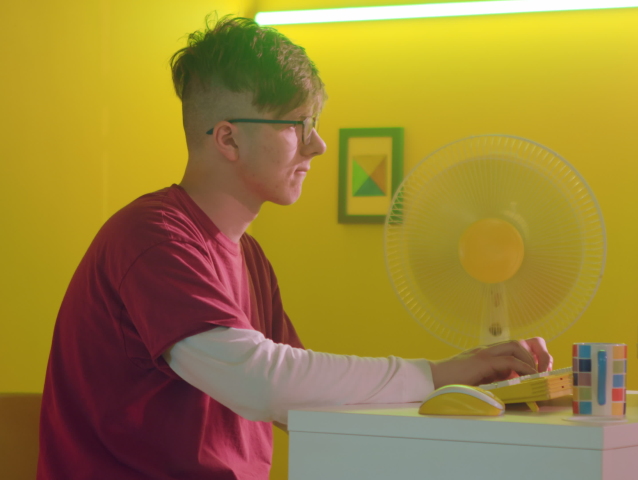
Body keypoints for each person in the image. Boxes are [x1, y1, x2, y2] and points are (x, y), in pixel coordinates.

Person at [37, 15, 552, 480]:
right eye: (296, 125)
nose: (318, 145)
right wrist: (436, 374)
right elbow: (264, 382)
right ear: (228, 140)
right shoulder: (152, 238)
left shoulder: (249, 258)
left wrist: (466, 389)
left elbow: (306, 400)